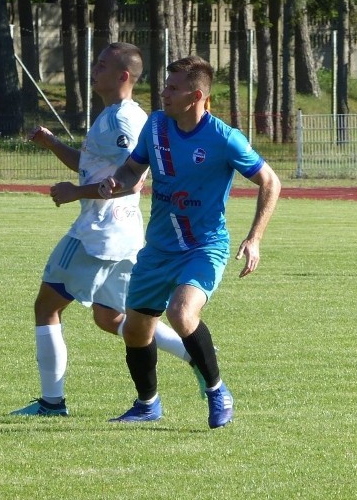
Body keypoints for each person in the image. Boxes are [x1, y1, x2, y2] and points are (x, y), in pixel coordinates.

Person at [10, 42, 203, 417]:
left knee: (47, 306)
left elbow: (134, 179)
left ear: (123, 76)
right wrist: (52, 143)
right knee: (111, 318)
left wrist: (74, 193)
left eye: (101, 65)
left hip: (98, 232)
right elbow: (91, 164)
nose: (93, 70)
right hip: (126, 234)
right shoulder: (115, 114)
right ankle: (195, 357)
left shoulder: (123, 120)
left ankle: (52, 403)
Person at [100, 55, 281, 428]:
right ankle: (147, 404)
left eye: (172, 88)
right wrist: (117, 180)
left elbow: (270, 182)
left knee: (181, 313)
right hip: (158, 248)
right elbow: (134, 167)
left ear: (195, 95)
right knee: (135, 330)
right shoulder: (155, 127)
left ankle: (217, 391)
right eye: (165, 85)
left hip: (204, 246)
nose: (162, 93)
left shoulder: (224, 138)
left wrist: (255, 238)